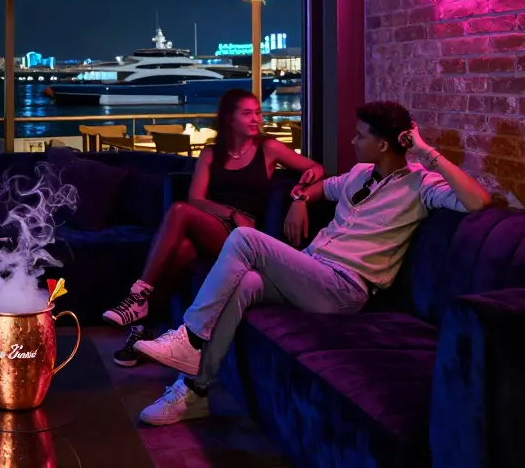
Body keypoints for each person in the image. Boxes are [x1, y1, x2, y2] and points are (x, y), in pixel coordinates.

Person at [133, 101, 490, 425]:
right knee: (245, 284)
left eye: (360, 135)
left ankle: (190, 337)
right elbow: (320, 188)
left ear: (383, 145)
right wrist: (300, 197)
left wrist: (426, 152)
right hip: (313, 270)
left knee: (244, 239)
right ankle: (195, 391)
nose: (352, 141)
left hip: (345, 288)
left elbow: (478, 202)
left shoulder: (421, 185)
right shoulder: (359, 175)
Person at [101, 89, 324, 368]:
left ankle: (138, 297)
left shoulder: (269, 148)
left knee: (179, 211)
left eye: (257, 112)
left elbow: (315, 168)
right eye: (247, 113)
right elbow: (197, 198)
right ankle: (144, 327)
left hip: (246, 237)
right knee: (181, 249)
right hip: (217, 227)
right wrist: (230, 212)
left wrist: (301, 194)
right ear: (229, 119)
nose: (256, 118)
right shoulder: (210, 154)